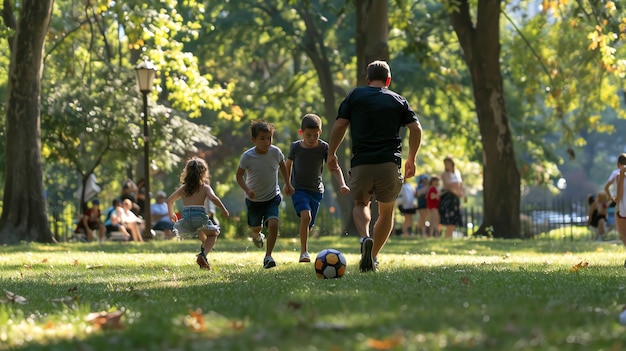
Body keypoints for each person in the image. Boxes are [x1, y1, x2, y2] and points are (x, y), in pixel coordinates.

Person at [327, 60, 422, 272]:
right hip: (389, 163)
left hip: (362, 162)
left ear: (367, 80)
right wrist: (411, 159)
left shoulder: (355, 96)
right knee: (387, 212)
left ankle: (364, 238)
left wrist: (332, 152)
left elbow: (340, 124)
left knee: (361, 204)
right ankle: (373, 256)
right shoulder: (398, 100)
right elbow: (416, 128)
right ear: (388, 80)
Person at [285, 114, 350, 263]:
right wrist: (287, 184)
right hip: (298, 189)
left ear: (320, 132)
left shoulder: (324, 147)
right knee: (306, 217)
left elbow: (334, 167)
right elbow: (288, 165)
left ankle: (304, 238)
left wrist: (342, 183)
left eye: (316, 135)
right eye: (308, 135)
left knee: (309, 223)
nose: (312, 138)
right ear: (301, 133)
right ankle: (304, 253)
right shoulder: (295, 147)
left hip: (315, 191)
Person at [236, 119, 294, 269]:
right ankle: (256, 236)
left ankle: (268, 256)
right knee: (256, 228)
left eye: (269, 138)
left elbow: (283, 167)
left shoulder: (275, 152)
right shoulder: (247, 156)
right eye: (262, 138)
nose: (266, 142)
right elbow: (239, 176)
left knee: (273, 224)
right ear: (253, 140)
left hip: (272, 197)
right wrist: (247, 190)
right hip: (253, 200)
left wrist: (288, 184)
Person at [167, 157, 230, 270]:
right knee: (213, 233)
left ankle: (204, 261)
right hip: (199, 216)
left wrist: (171, 213)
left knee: (203, 236)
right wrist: (223, 209)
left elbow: (169, 200)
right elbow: (214, 198)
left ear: (187, 173)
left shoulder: (184, 188)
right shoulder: (205, 187)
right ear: (203, 173)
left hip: (186, 219)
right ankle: (203, 255)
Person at [438, 156, 465, 239]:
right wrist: (456, 190)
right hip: (447, 197)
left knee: (454, 218)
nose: (446, 165)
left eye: (448, 163)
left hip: (455, 198)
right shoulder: (444, 174)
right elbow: (448, 185)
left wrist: (462, 194)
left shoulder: (457, 173)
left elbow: (459, 185)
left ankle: (449, 236)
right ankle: (437, 234)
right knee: (445, 218)